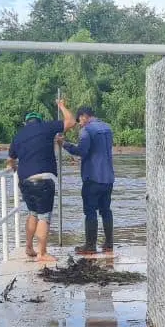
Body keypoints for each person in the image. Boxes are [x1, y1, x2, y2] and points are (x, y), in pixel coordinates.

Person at [6, 99, 75, 262]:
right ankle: (42, 253)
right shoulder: (47, 127)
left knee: (32, 214)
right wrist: (61, 106)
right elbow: (71, 122)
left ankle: (29, 247)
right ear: (39, 121)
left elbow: (10, 160)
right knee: (44, 216)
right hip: (44, 179)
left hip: (25, 180)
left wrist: (15, 167)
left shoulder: (18, 136)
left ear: (26, 123)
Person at [59, 106, 115, 255]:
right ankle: (109, 243)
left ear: (83, 116)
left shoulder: (87, 131)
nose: (79, 124)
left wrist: (64, 144)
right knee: (106, 210)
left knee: (90, 211)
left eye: (79, 121)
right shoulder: (107, 128)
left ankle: (90, 245)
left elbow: (81, 151)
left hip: (93, 177)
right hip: (108, 177)